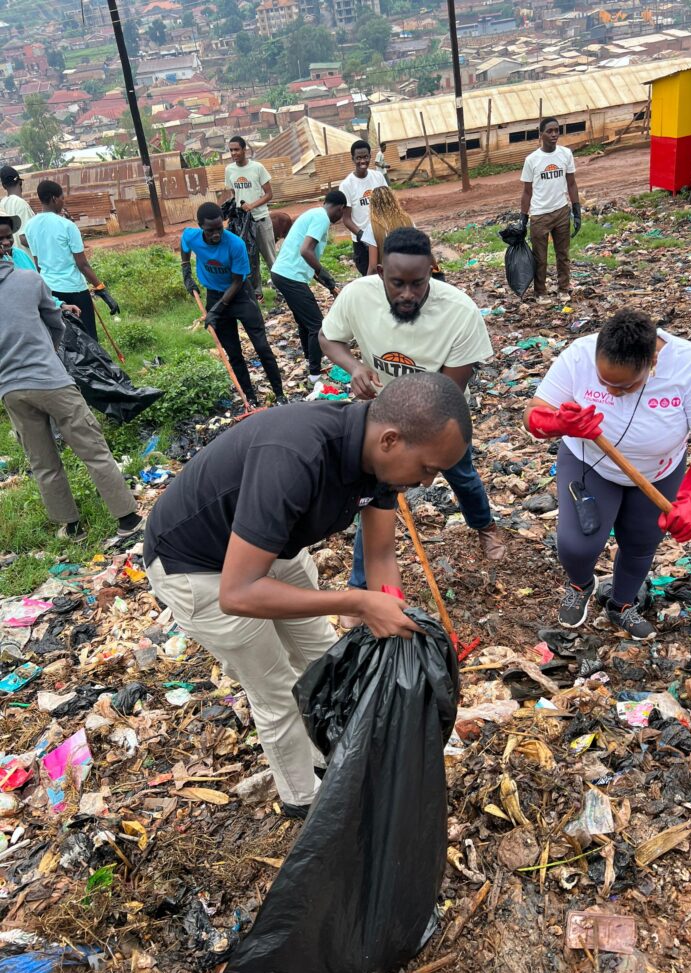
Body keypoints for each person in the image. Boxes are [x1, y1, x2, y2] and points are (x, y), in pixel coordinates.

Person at [144, 373, 471, 817]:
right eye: (429, 469)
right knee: (277, 689)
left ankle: (329, 756)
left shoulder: (381, 462)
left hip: (271, 549)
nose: (429, 482)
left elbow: (379, 553)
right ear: (391, 440)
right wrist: (357, 602)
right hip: (198, 567)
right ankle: (303, 800)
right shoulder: (296, 455)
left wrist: (389, 607)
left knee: (321, 660)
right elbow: (237, 595)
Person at [320, 225, 506, 623]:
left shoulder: (460, 312)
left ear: (433, 272)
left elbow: (449, 390)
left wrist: (413, 436)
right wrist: (353, 367)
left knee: (463, 475)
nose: (407, 294)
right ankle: (359, 587)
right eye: (396, 283)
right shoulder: (357, 296)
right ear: (381, 271)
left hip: (440, 415)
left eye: (417, 284)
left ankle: (484, 524)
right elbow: (329, 338)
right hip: (381, 415)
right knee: (373, 494)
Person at [523, 308, 691, 641]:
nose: (613, 392)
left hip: (657, 472)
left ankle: (621, 605)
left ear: (652, 363)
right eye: (604, 382)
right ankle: (581, 584)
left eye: (625, 386)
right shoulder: (578, 356)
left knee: (640, 544)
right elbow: (533, 413)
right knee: (576, 546)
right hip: (589, 462)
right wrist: (558, 423)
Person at [0, 260, 142, 541]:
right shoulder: (30, 280)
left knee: (43, 461)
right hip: (52, 381)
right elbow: (57, 324)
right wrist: (47, 356)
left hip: (12, 390)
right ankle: (128, 519)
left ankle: (72, 527)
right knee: (93, 449)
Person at [181, 201, 286, 407]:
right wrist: (186, 273)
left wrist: (215, 311)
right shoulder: (191, 236)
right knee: (234, 353)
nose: (216, 234)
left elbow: (238, 281)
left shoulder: (235, 244)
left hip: (240, 295)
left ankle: (280, 394)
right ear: (200, 226)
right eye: (210, 231)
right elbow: (184, 246)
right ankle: (250, 398)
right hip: (214, 294)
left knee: (262, 347)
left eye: (219, 228)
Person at [25, 180, 119, 341]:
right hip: (74, 289)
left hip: (51, 291)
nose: (63, 202)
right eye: (62, 198)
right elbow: (82, 264)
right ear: (54, 198)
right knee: (89, 338)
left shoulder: (30, 226)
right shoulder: (67, 226)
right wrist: (101, 289)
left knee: (65, 340)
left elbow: (37, 263)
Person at [270, 190, 347, 384]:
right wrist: (326, 274)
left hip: (284, 274)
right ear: (340, 208)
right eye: (343, 213)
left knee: (305, 322)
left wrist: (330, 286)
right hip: (289, 276)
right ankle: (315, 375)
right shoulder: (322, 218)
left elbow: (309, 263)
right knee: (316, 325)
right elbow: (306, 251)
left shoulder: (314, 214)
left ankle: (308, 362)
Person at [520, 117, 581, 304]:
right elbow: (527, 191)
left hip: (562, 211)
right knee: (540, 258)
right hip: (539, 215)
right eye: (549, 131)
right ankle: (540, 292)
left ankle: (563, 289)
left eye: (557, 130)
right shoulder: (532, 160)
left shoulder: (565, 154)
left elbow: (571, 183)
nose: (554, 134)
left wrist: (577, 209)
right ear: (541, 135)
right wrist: (523, 218)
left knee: (563, 255)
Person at [0, 204, 80, 317]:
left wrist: (60, 304)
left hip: (33, 317)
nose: (6, 242)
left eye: (9, 237)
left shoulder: (20, 255)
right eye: (0, 239)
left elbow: (39, 287)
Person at [224, 136, 276, 299]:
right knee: (251, 259)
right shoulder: (229, 170)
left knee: (270, 257)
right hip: (243, 224)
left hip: (260, 219)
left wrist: (252, 206)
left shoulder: (257, 168)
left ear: (244, 150)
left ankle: (281, 289)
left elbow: (269, 194)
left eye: (237, 149)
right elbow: (234, 194)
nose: (234, 153)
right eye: (231, 150)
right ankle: (257, 293)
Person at [340, 140, 387, 276]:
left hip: (381, 236)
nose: (362, 161)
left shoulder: (378, 177)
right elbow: (347, 219)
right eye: (358, 158)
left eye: (365, 157)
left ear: (370, 157)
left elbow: (387, 204)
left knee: (387, 274)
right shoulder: (347, 185)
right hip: (361, 242)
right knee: (369, 277)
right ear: (353, 159)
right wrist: (363, 236)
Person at [0, 165, 34, 259]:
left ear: (4, 186)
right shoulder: (21, 204)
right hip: (25, 259)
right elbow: (23, 239)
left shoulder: (2, 203)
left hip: (11, 260)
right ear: (20, 182)